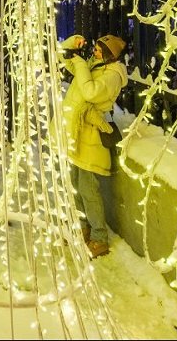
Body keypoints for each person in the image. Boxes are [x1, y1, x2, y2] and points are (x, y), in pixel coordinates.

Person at [59, 33, 128, 259]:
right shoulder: (96, 65)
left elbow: (90, 91)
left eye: (99, 49)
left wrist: (79, 62)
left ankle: (99, 237)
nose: (95, 52)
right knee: (76, 183)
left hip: (90, 137)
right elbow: (67, 61)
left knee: (88, 188)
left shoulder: (113, 76)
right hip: (77, 132)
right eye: (96, 47)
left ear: (109, 55)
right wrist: (72, 46)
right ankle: (83, 226)